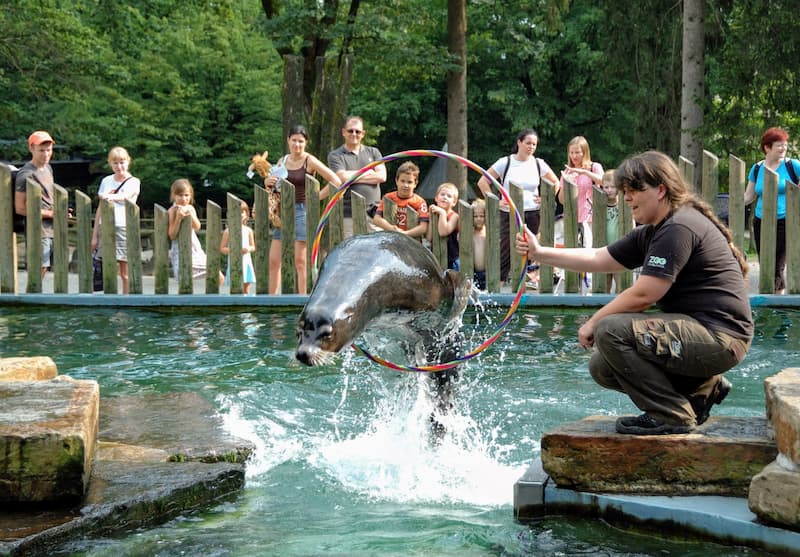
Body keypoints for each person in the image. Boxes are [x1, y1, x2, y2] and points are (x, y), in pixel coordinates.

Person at [516, 150, 753, 435]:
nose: (626, 197)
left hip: (720, 338)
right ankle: (702, 390)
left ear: (661, 190)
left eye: (633, 190)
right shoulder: (656, 229)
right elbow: (598, 258)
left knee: (610, 330)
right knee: (602, 366)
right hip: (703, 335)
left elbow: (645, 294)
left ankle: (672, 415)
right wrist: (541, 253)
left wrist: (593, 321)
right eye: (624, 190)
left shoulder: (678, 227)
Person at [264, 125, 342, 294]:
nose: (297, 145)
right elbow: (275, 185)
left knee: (300, 261)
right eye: (294, 140)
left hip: (302, 211)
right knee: (273, 260)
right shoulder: (282, 161)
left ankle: (302, 299)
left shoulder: (310, 160)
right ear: (288, 140)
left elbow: (336, 180)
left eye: (301, 141)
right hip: (282, 212)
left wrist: (315, 197)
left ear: (306, 142)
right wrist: (268, 183)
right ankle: (271, 300)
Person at [476, 128, 558, 283]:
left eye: (534, 144)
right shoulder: (505, 162)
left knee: (529, 249)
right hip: (509, 213)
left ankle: (526, 280)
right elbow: (482, 182)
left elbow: (555, 182)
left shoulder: (538, 163)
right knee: (506, 248)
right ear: (519, 142)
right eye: (528, 143)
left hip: (533, 213)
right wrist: (495, 200)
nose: (531, 147)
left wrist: (545, 197)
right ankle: (498, 284)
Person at [743, 127, 799, 294]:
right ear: (767, 147)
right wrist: (733, 206)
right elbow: (749, 196)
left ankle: (777, 305)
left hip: (786, 219)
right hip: (761, 220)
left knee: (777, 265)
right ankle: (768, 300)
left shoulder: (793, 166)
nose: (783, 148)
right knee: (765, 262)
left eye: (785, 145)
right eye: (779, 145)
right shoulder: (757, 168)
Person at [91, 146, 141, 294]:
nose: (119, 166)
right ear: (110, 164)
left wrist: (110, 197)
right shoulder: (106, 181)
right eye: (115, 163)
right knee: (107, 267)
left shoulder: (134, 181)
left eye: (122, 162)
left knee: (124, 272)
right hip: (104, 227)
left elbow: (126, 195)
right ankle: (109, 297)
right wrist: (95, 235)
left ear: (128, 162)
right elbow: (100, 207)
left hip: (123, 227)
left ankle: (125, 298)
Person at [327, 115, 387, 236]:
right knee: (352, 251)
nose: (354, 134)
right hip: (349, 214)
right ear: (343, 132)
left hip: (374, 212)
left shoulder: (373, 152)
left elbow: (381, 177)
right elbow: (341, 177)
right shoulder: (336, 155)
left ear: (363, 133)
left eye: (358, 131)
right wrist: (369, 172)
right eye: (350, 130)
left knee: (376, 250)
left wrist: (352, 177)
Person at [14, 131, 57, 279]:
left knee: (46, 267)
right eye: (41, 150)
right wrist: (50, 214)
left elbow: (48, 197)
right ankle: (31, 296)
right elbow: (19, 207)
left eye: (49, 150)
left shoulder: (48, 168)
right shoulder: (25, 174)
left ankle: (35, 296)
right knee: (40, 267)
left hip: (52, 227)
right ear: (31, 149)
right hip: (38, 229)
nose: (46, 154)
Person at [167, 178, 223, 284]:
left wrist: (191, 215)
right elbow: (172, 235)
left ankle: (214, 298)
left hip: (194, 249)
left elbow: (197, 226)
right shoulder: (172, 211)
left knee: (217, 273)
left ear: (191, 195)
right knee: (184, 279)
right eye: (180, 195)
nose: (184, 198)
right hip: (180, 249)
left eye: (186, 195)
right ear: (174, 195)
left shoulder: (191, 208)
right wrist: (178, 218)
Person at [373, 161, 429, 238]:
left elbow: (423, 227)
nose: (405, 185)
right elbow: (376, 219)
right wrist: (392, 229)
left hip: (411, 241)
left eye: (409, 182)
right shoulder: (388, 197)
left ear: (415, 184)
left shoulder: (420, 202)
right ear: (396, 181)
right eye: (402, 181)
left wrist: (405, 234)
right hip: (390, 238)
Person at [221, 199, 256, 295]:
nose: (239, 214)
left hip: (246, 261)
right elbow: (222, 248)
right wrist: (235, 251)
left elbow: (253, 247)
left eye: (241, 212)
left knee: (246, 288)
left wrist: (248, 249)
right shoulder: (228, 231)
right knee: (235, 288)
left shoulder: (248, 230)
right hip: (234, 262)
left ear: (246, 214)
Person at [600, 169, 624, 293]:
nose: (609, 190)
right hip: (604, 249)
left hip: (619, 249)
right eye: (606, 187)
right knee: (604, 283)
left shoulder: (623, 205)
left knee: (620, 281)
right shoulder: (599, 205)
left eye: (613, 187)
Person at [427, 182, 460, 269]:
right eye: (442, 194)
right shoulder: (435, 215)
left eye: (449, 196)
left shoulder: (454, 216)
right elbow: (429, 238)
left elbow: (443, 232)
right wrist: (431, 219)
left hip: (452, 258)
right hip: (437, 256)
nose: (445, 197)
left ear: (454, 202)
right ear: (436, 198)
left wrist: (442, 213)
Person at [471, 198, 488, 291]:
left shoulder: (488, 233)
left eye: (481, 216)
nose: (478, 219)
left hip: (487, 273)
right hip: (472, 272)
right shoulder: (469, 233)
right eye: (475, 216)